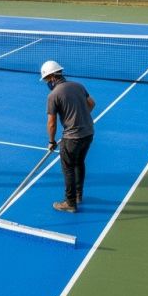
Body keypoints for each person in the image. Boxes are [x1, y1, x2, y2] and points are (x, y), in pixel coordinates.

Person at [40, 60, 95, 213]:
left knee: (68, 168)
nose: (46, 83)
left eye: (46, 79)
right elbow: (91, 103)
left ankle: (70, 203)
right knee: (79, 163)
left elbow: (51, 123)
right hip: (88, 133)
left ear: (51, 77)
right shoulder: (78, 86)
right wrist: (80, 117)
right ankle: (78, 195)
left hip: (72, 138)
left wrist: (51, 141)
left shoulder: (53, 95)